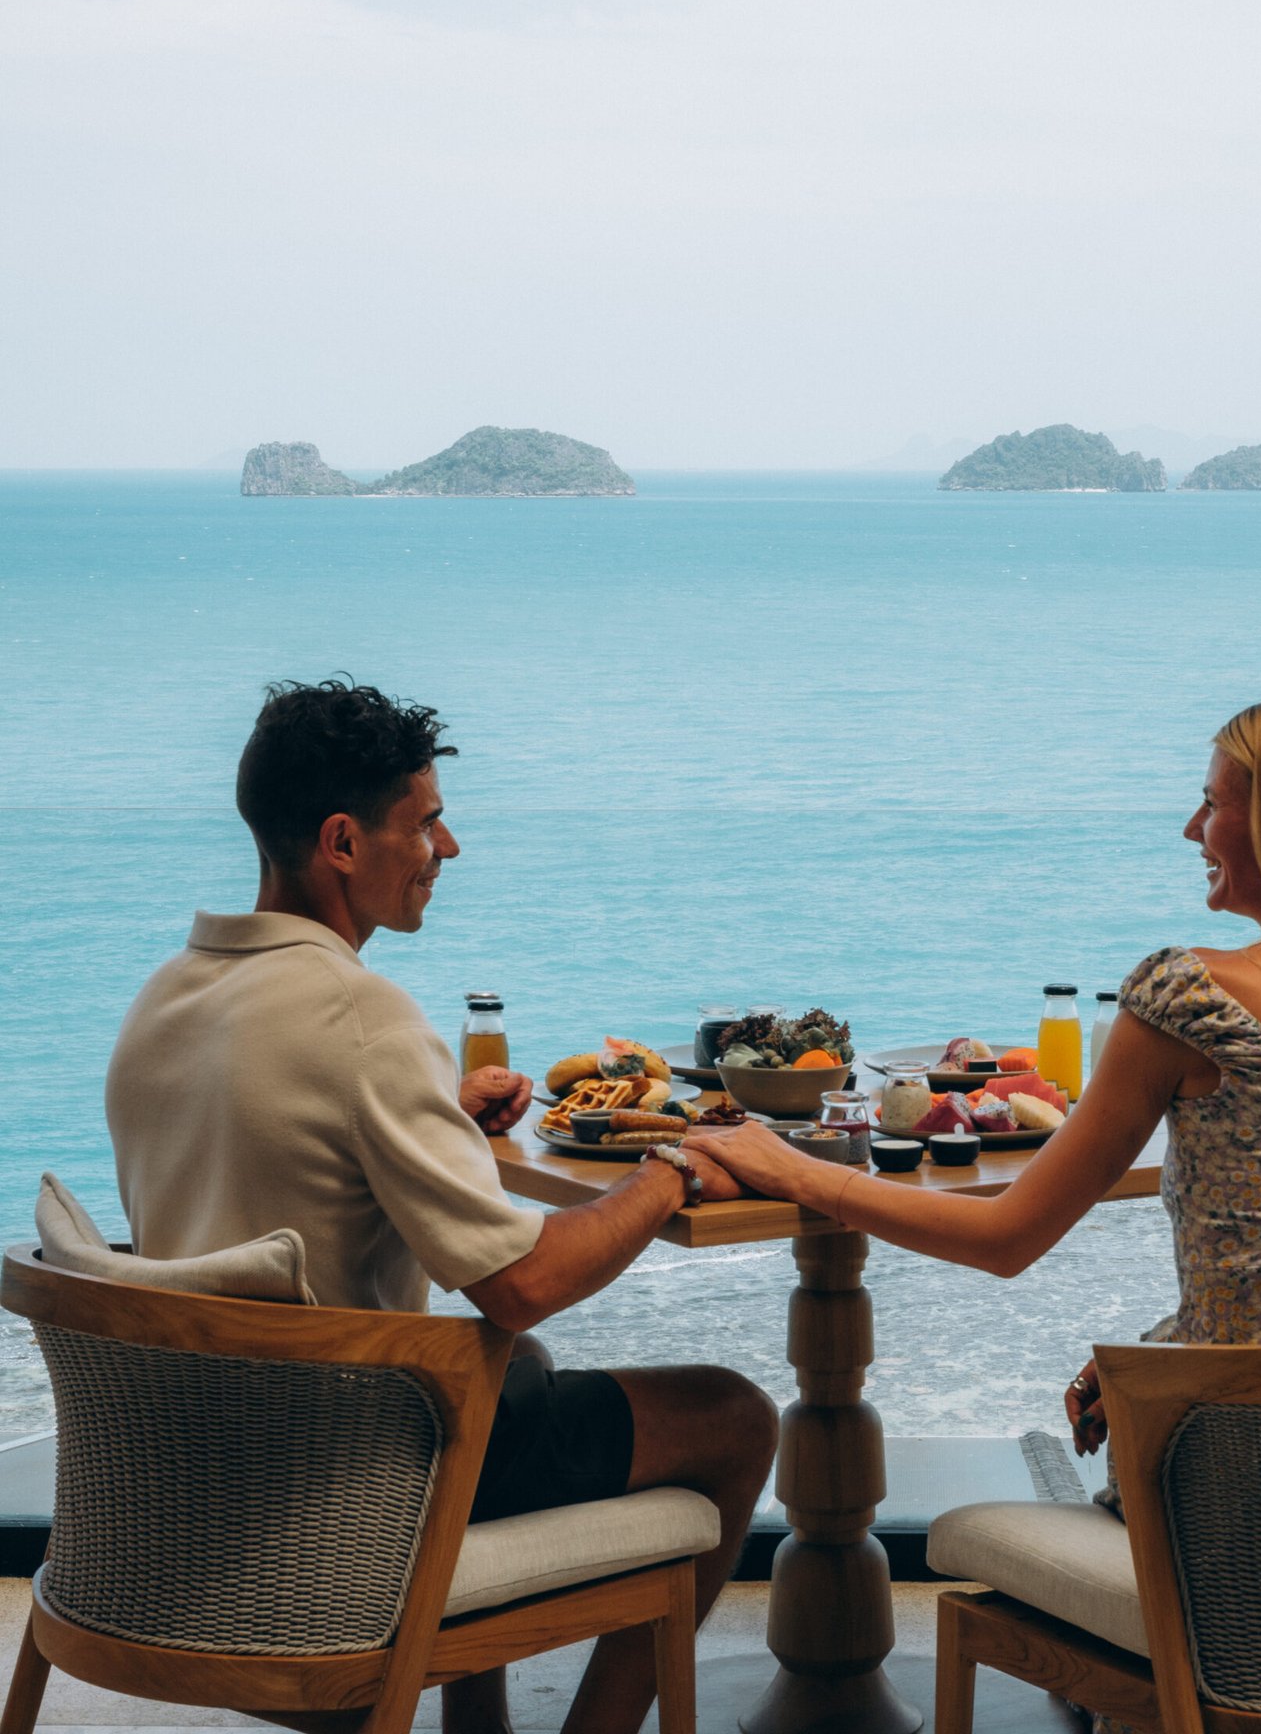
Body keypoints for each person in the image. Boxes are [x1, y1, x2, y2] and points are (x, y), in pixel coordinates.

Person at [105, 678, 777, 1734]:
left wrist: (435, 1119)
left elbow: (269, 1148)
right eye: (423, 822)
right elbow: (524, 1284)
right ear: (341, 840)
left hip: (196, 1476)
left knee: (516, 1375)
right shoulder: (358, 1016)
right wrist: (676, 1169)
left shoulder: (168, 995)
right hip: (345, 1495)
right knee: (733, 1414)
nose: (447, 848)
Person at [690, 690, 1261, 1468]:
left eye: (1212, 802)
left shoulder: (1193, 997)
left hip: (1226, 1489)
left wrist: (797, 1169)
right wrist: (1167, 1354)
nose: (1190, 828)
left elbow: (1005, 1240)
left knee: (1003, 1512)